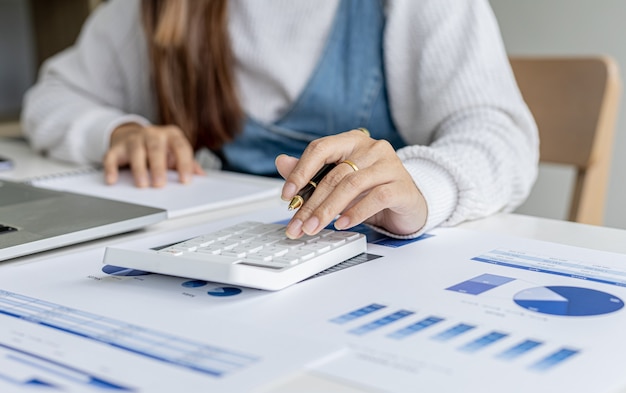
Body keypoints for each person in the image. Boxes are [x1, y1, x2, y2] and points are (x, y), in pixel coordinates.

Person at [21, 0, 538, 241]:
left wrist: (422, 187)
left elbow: (500, 134)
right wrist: (118, 132)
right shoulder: (152, 11)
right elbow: (52, 96)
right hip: (217, 267)